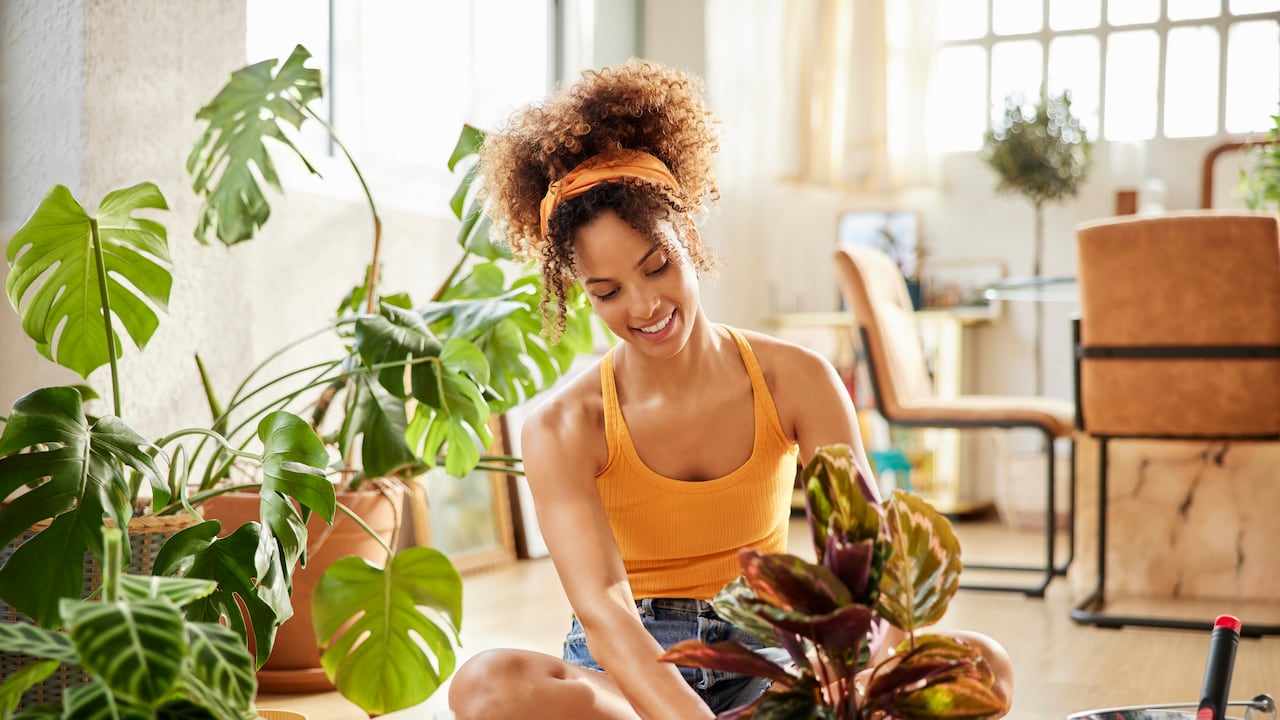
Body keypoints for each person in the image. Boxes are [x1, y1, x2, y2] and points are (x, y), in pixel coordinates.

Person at [448, 60, 1012, 720]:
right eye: (607, 291)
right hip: (628, 677)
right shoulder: (562, 425)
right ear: (581, 292)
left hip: (770, 662)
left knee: (982, 667)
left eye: (656, 266)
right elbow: (603, 608)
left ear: (688, 235)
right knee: (486, 686)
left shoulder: (795, 379)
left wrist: (851, 690)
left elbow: (864, 564)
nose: (643, 306)